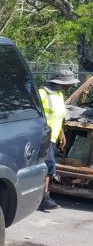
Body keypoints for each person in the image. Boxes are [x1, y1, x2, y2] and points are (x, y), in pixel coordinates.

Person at [38, 69, 79, 211]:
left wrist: (61, 133)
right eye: (69, 84)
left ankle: (43, 197)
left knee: (48, 166)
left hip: (53, 136)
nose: (71, 87)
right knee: (49, 166)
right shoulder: (42, 93)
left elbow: (58, 117)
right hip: (43, 137)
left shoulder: (59, 95)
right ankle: (44, 198)